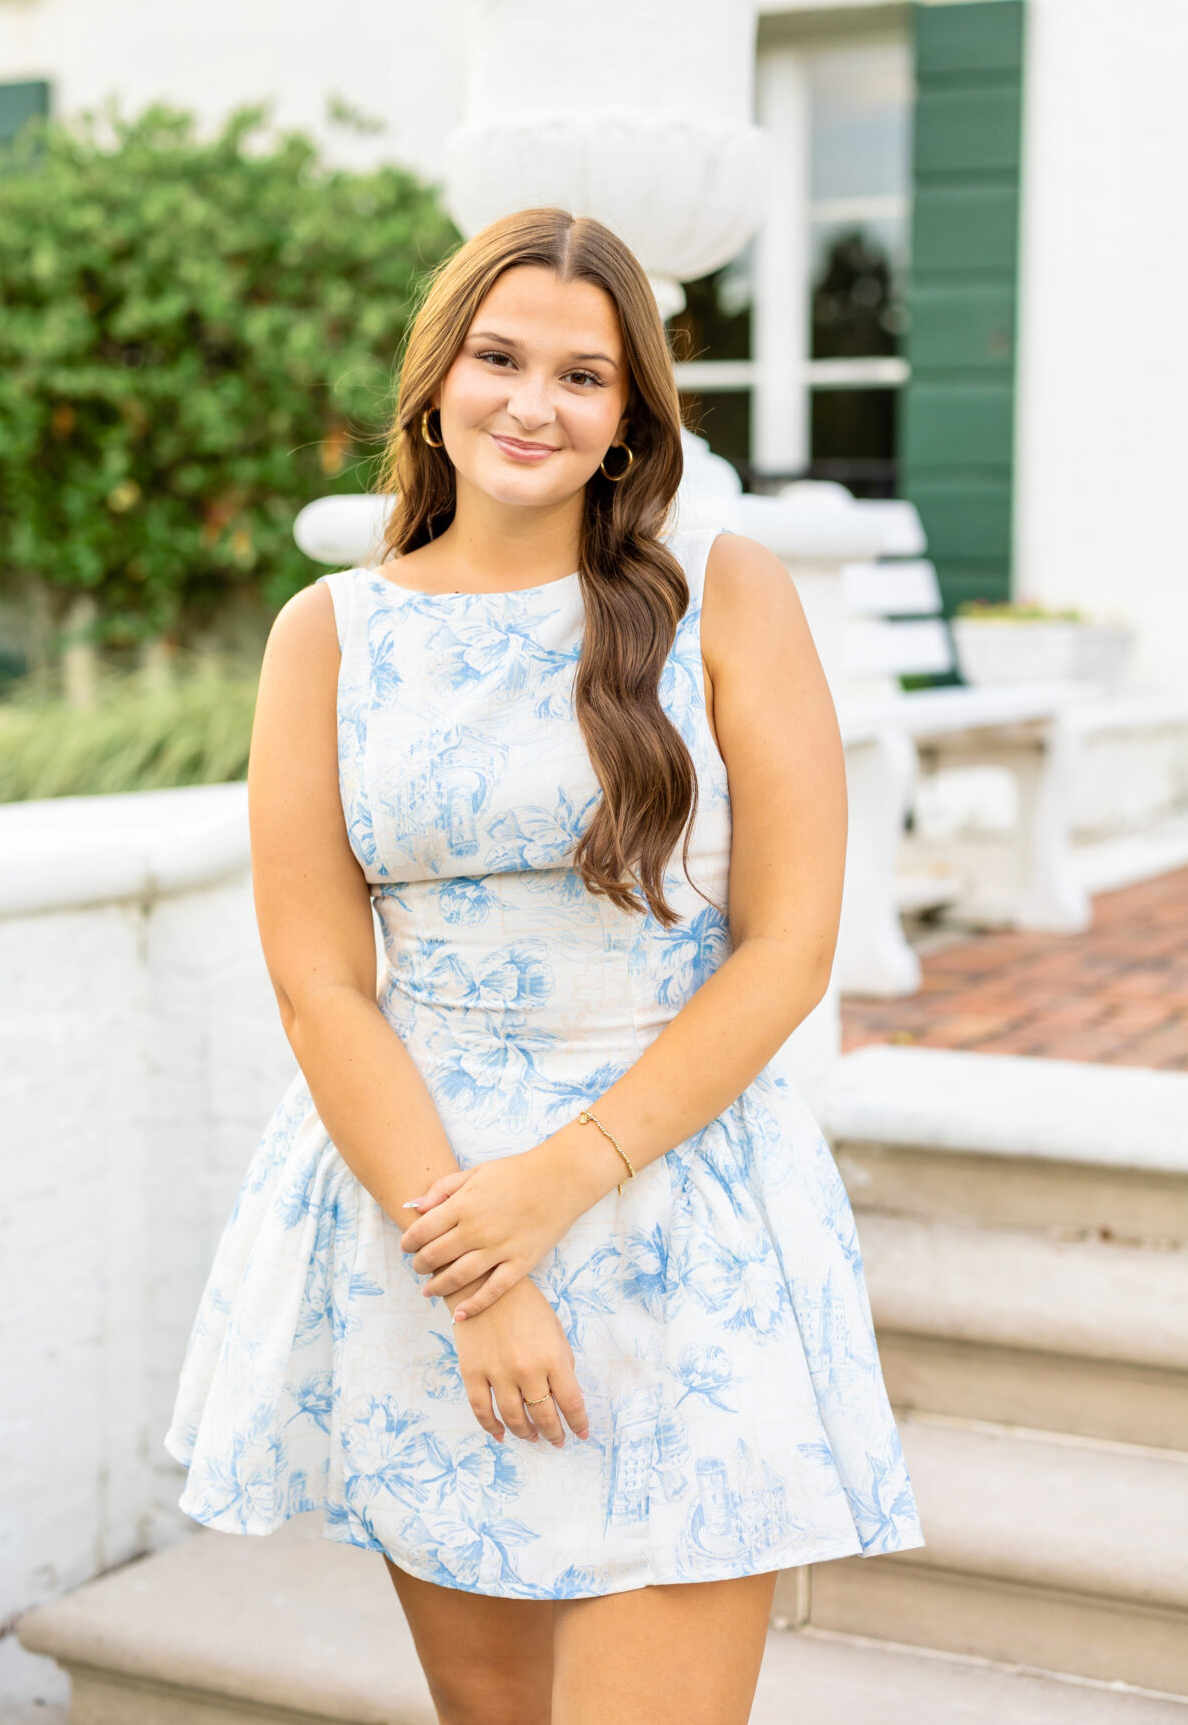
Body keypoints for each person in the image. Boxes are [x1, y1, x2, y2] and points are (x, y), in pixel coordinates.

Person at [165, 206, 923, 1724]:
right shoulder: (331, 635)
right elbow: (322, 982)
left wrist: (561, 1179)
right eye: (499, 357)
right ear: (436, 377)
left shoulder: (729, 594)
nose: (533, 402)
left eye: (583, 375)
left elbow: (785, 951)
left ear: (632, 412)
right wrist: (477, 1267)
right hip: (423, 1216)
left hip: (681, 1209)